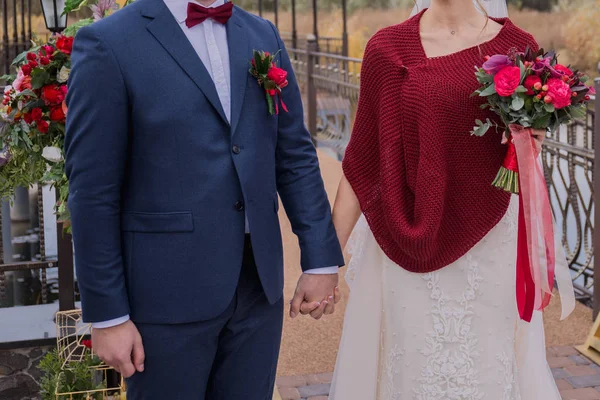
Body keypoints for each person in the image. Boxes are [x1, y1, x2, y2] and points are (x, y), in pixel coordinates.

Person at [64, 0, 345, 398]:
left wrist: (320, 259)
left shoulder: (261, 34)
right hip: (164, 300)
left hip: (257, 290)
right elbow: (92, 192)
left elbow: (294, 154)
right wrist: (108, 315)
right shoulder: (108, 43)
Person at [328, 0, 575, 398]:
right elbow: (362, 160)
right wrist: (324, 261)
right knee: (412, 364)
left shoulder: (519, 49)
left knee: (487, 369)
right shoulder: (385, 50)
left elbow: (521, 161)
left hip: (491, 242)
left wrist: (531, 143)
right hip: (404, 239)